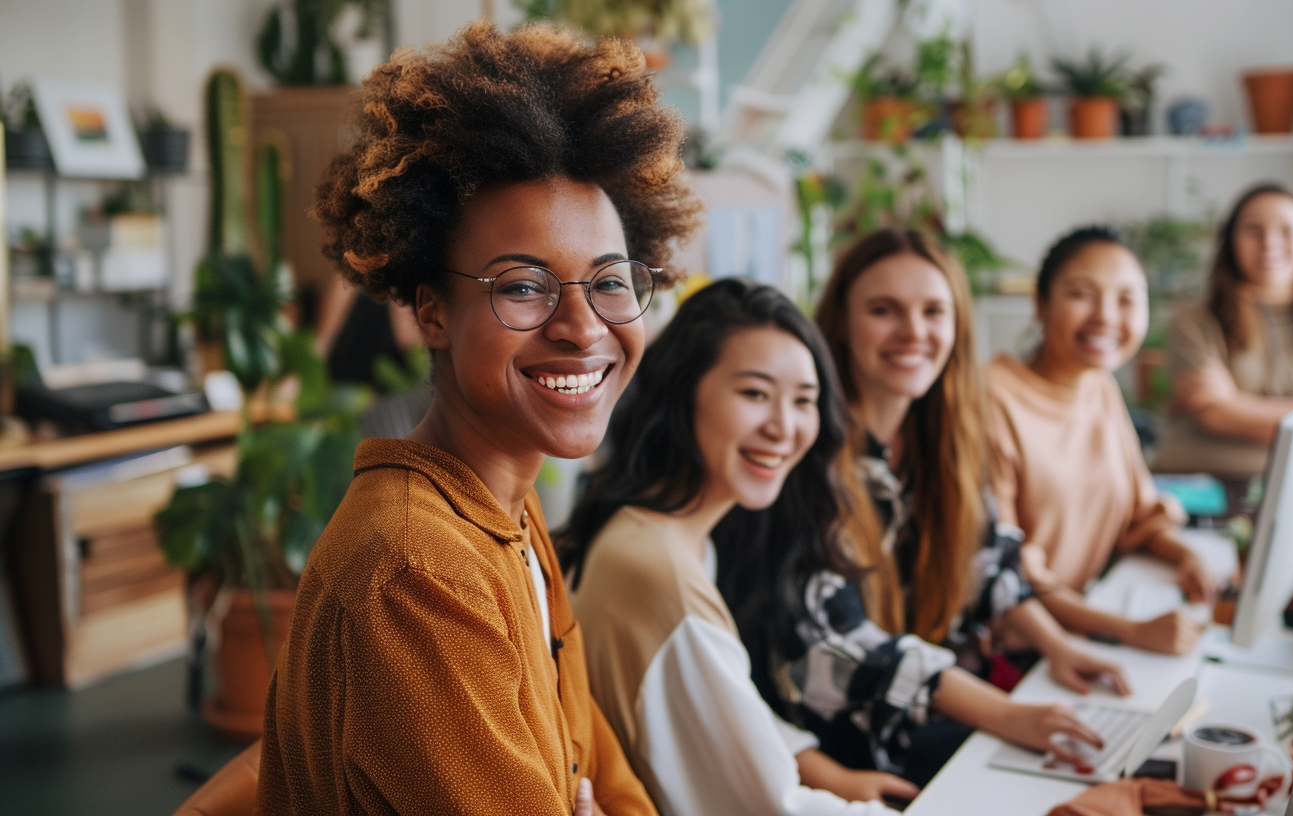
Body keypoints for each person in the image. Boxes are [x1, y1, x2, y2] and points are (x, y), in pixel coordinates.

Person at [253, 22, 701, 816]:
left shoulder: (505, 512)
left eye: (609, 280)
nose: (583, 326)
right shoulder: (416, 571)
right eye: (523, 285)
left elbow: (602, 766)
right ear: (432, 313)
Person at [562, 280, 1105, 815]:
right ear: (683, 393)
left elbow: (725, 714)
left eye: (804, 400)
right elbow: (774, 806)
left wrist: (825, 772)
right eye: (754, 394)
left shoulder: (657, 537)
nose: (784, 427)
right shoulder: (661, 572)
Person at [986, 226, 1215, 656]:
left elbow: (1136, 518)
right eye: (1082, 294)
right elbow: (1004, 576)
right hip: (1022, 646)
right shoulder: (991, 398)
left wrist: (1187, 556)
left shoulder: (1098, 385)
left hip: (1085, 617)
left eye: (1127, 299)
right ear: (1040, 303)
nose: (1106, 317)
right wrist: (1130, 630)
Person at [1154, 183, 1293, 478]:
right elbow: (1213, 416)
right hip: (1199, 484)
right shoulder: (1193, 319)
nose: (1269, 242)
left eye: (1286, 230)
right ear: (1230, 240)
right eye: (1253, 230)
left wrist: (1235, 403)